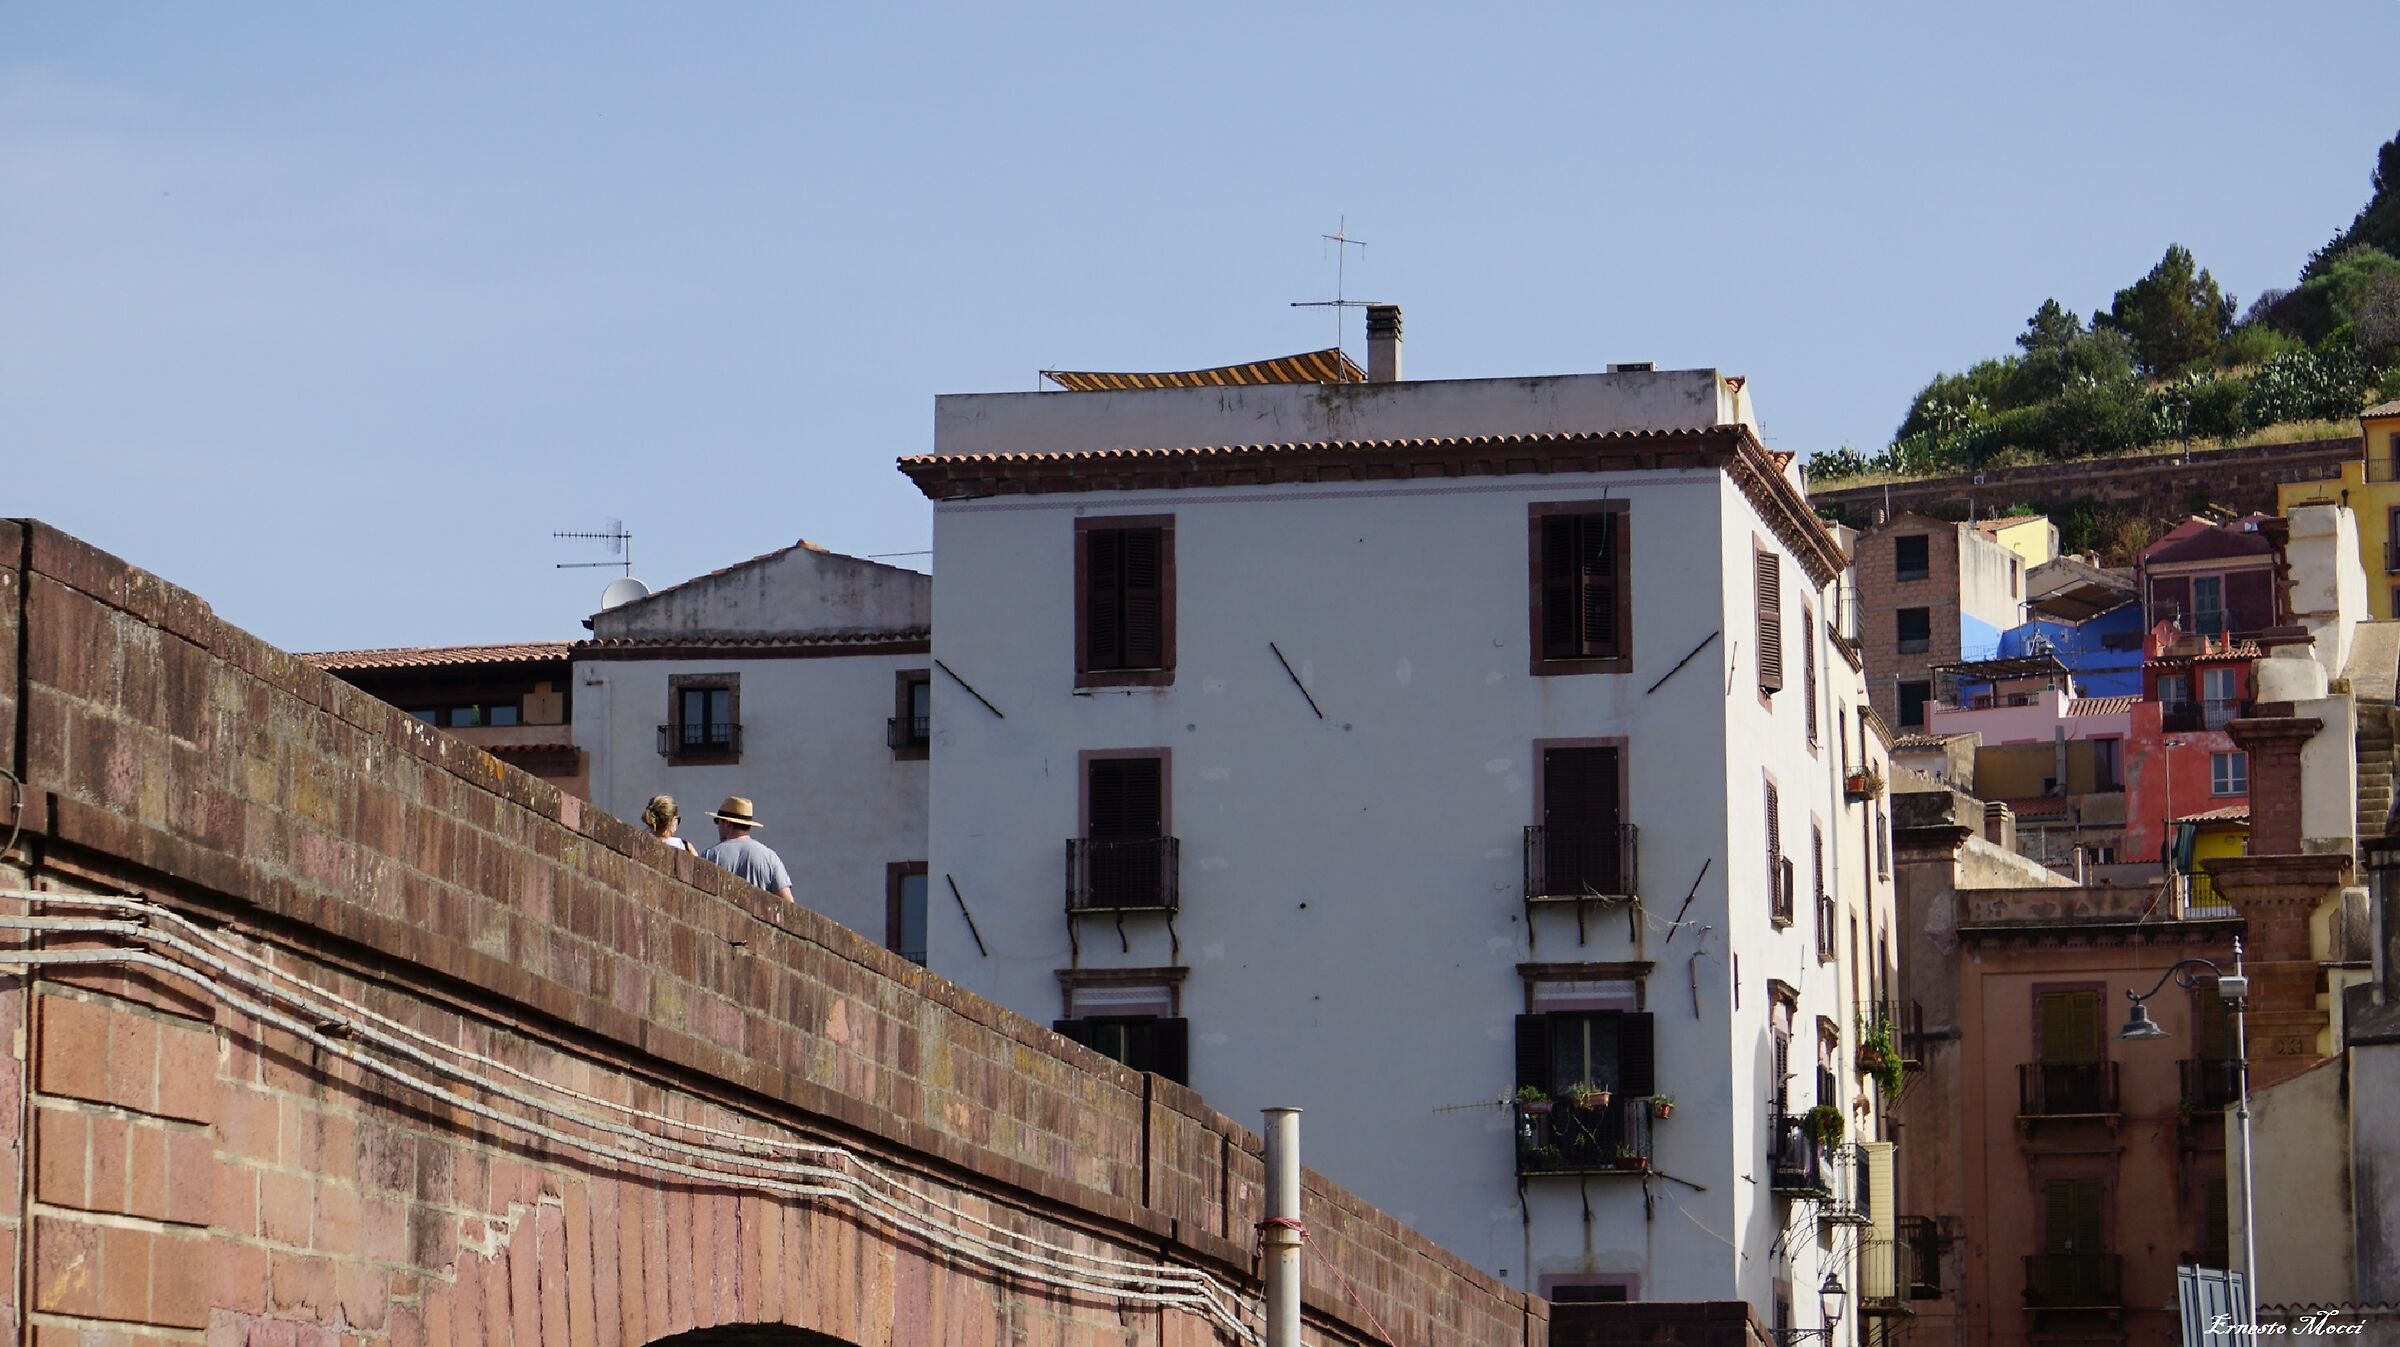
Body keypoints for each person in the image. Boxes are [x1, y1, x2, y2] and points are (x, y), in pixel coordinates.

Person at [700, 795, 794, 901]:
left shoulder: (709, 855)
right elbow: (787, 902)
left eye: (718, 821)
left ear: (727, 823)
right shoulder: (770, 857)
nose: (718, 827)